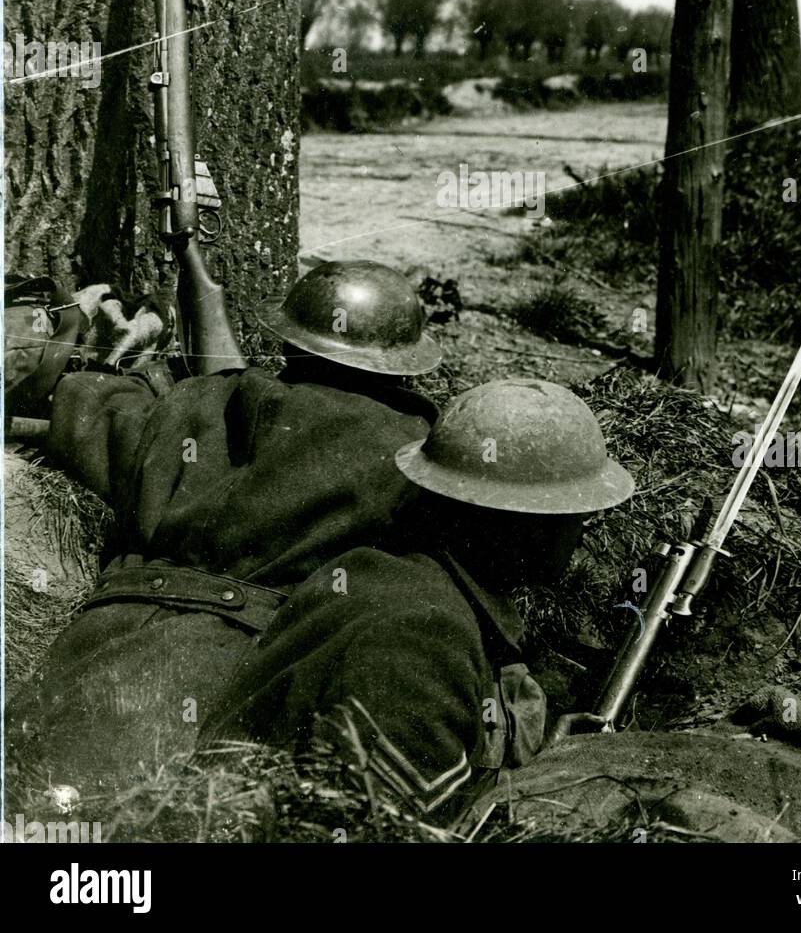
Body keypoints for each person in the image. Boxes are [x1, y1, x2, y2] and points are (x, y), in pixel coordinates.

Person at [8, 260, 442, 797]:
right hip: (238, 675)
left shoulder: (202, 401)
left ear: (287, 344)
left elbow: (96, 421)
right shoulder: (415, 452)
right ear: (403, 367)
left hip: (94, 647)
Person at [202, 378, 635, 819]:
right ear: (530, 527)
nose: (585, 532)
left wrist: (542, 767)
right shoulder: (422, 640)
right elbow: (396, 825)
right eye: (577, 513)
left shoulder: (385, 575)